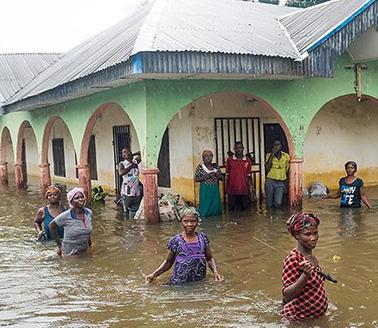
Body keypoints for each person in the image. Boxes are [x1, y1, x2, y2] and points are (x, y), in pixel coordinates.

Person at [146, 208, 223, 284]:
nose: (189, 224)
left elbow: (209, 258)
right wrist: (154, 274)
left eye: (193, 221)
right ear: (181, 222)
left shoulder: (203, 238)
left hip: (199, 282)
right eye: (185, 221)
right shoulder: (175, 240)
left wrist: (215, 272)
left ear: (197, 222)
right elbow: (168, 262)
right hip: (179, 282)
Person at [282, 212, 328, 322]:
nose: (313, 238)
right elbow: (287, 295)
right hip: (298, 319)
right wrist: (305, 276)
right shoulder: (293, 259)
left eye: (315, 233)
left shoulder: (310, 257)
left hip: (313, 317)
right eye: (307, 234)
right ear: (297, 235)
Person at [49, 187, 93, 257]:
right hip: (70, 252)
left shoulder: (88, 213)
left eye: (82, 197)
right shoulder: (66, 216)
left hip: (84, 250)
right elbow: (51, 226)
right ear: (71, 202)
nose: (81, 199)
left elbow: (87, 231)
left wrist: (90, 245)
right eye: (77, 198)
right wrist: (59, 246)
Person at [194, 150, 223, 217]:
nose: (208, 157)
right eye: (206, 156)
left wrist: (216, 174)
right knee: (205, 207)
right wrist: (207, 176)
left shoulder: (216, 166)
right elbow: (196, 179)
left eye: (210, 156)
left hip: (214, 189)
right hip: (205, 189)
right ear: (203, 157)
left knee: (216, 207)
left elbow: (221, 178)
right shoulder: (200, 167)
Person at [226, 141, 252, 210]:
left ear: (243, 148)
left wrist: (250, 188)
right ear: (234, 149)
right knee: (231, 211)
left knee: (245, 211)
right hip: (232, 190)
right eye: (237, 148)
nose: (239, 149)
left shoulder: (247, 160)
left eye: (240, 148)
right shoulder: (230, 160)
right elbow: (227, 175)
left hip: (244, 190)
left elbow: (249, 175)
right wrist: (227, 189)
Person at [265, 140, 290, 208]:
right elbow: (267, 167)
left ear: (281, 146)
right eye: (274, 145)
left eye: (278, 145)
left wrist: (285, 182)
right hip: (270, 181)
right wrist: (272, 154)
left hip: (280, 183)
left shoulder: (286, 156)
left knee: (278, 203)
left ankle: (277, 217)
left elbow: (287, 169)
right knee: (269, 204)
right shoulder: (268, 155)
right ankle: (270, 217)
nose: (276, 147)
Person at [118, 148, 142, 218]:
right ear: (123, 155)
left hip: (136, 192)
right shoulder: (122, 163)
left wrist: (133, 154)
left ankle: (132, 227)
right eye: (124, 152)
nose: (127, 153)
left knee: (134, 212)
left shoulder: (135, 162)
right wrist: (131, 166)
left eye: (128, 151)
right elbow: (121, 172)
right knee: (126, 212)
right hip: (127, 193)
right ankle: (127, 226)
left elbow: (142, 153)